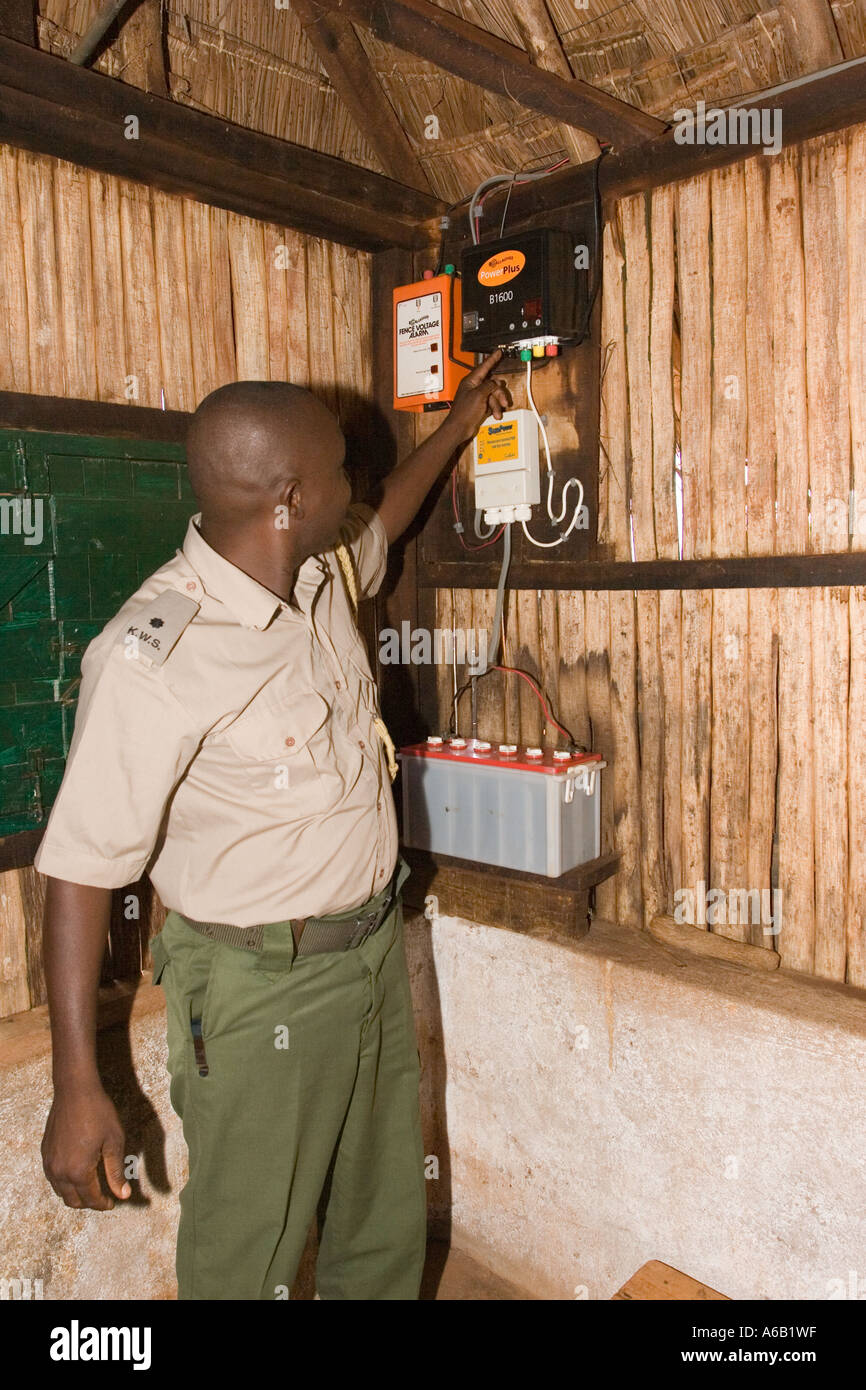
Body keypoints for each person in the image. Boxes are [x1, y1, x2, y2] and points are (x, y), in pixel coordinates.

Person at [36, 351, 508, 1300]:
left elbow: (389, 514)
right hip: (259, 990)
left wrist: (459, 424)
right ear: (290, 496)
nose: (356, 484)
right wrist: (76, 1085)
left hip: (371, 952)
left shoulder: (320, 569)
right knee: (248, 1249)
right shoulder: (151, 655)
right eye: (341, 470)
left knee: (381, 1226)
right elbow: (81, 871)